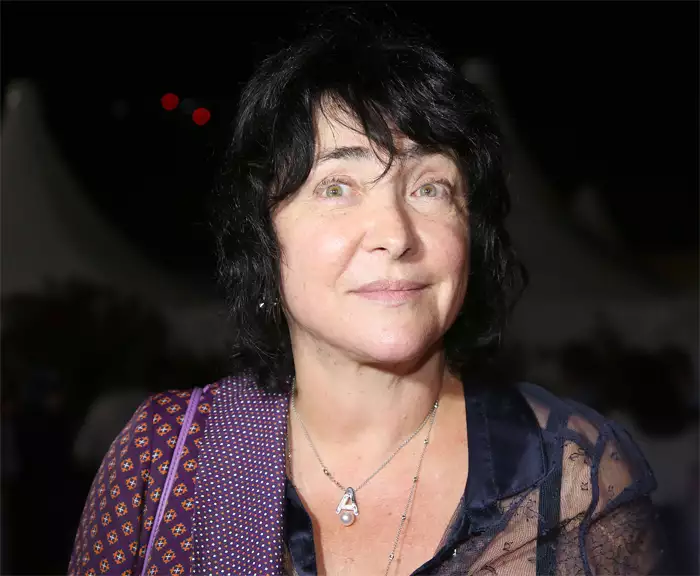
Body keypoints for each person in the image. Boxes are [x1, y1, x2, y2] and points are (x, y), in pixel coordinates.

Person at [69, 10, 666, 576]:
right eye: (337, 187)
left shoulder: (574, 484)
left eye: (430, 188)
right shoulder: (165, 462)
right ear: (263, 234)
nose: (395, 235)